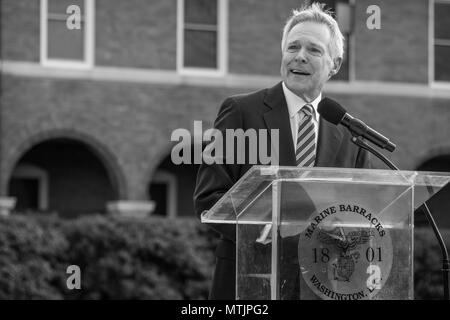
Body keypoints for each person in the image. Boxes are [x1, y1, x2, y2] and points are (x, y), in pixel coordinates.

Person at [194, 3, 372, 300]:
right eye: (293, 47)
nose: (299, 56)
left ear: (335, 64)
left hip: (322, 288)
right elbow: (209, 200)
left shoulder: (349, 134)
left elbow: (361, 215)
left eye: (313, 50)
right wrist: (280, 237)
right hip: (249, 284)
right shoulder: (241, 112)